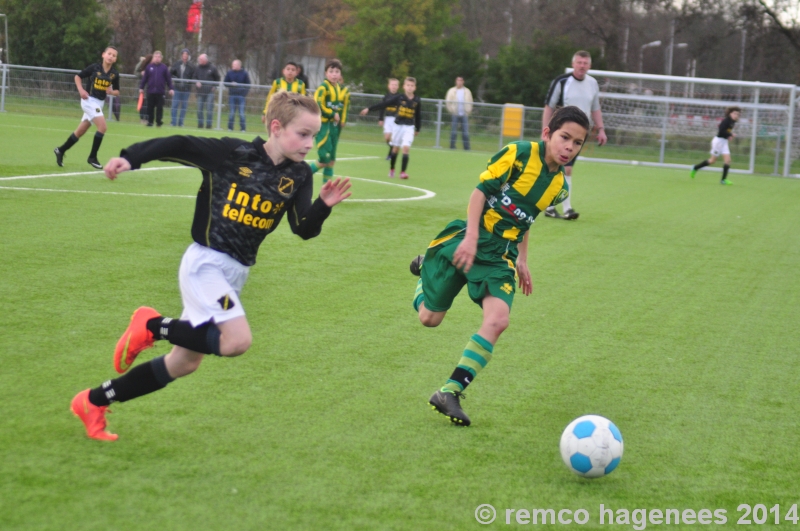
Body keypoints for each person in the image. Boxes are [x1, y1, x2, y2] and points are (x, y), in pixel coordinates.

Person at [69, 91, 352, 441]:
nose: (311, 144)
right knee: (237, 341)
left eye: (314, 135)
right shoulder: (233, 154)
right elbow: (180, 143)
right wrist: (132, 158)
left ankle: (93, 401)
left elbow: (303, 229)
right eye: (304, 134)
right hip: (206, 265)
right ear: (276, 127)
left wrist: (323, 206)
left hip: (236, 275)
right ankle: (152, 324)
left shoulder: (298, 175)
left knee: (183, 363)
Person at [408, 106, 590, 426]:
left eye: (577, 143)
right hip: (470, 238)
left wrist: (522, 259)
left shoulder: (558, 188)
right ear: (547, 133)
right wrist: (472, 237)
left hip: (500, 257)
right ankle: (426, 269)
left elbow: (525, 219)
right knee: (429, 319)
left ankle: (449, 391)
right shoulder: (518, 154)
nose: (569, 148)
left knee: (499, 320)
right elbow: (480, 193)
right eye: (565, 138)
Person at [542, 51, 606, 221]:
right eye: (579, 62)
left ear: (589, 66)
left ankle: (549, 206)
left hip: (580, 136)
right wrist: (546, 130)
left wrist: (601, 129)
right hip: (561, 133)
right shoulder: (562, 81)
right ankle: (567, 208)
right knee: (564, 168)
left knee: (560, 169)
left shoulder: (592, 83)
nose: (582, 66)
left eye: (585, 63)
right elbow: (549, 106)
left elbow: (595, 108)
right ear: (573, 64)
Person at [54, 46, 121, 170]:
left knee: (80, 132)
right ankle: (92, 157)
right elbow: (77, 77)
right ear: (103, 55)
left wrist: (112, 92)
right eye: (109, 54)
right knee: (103, 127)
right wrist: (81, 90)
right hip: (89, 101)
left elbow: (117, 91)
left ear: (115, 59)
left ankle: (60, 150)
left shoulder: (114, 74)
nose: (111, 56)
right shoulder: (95, 68)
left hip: (99, 103)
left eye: (114, 55)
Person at [360, 77, 421, 179]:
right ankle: (392, 168)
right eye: (408, 85)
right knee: (396, 149)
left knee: (405, 148)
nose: (410, 88)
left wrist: (418, 128)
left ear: (415, 87)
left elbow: (418, 115)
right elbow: (384, 104)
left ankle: (403, 172)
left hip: (409, 127)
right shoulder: (399, 98)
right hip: (398, 126)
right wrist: (369, 109)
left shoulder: (417, 100)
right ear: (404, 86)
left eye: (412, 86)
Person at [309, 59, 349, 183]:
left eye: (337, 71)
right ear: (326, 73)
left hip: (334, 127)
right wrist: (332, 114)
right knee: (324, 159)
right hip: (323, 126)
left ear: (340, 74)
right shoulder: (323, 87)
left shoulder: (337, 88)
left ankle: (326, 190)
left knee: (331, 161)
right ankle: (301, 175)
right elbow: (318, 105)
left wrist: (340, 117)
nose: (334, 74)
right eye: (331, 71)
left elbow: (339, 106)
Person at [690, 106, 741, 185]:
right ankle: (695, 168)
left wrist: (728, 136)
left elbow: (726, 132)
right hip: (718, 142)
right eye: (734, 113)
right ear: (730, 113)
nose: (736, 115)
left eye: (737, 114)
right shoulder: (726, 121)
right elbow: (721, 131)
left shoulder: (732, 121)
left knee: (728, 160)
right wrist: (730, 134)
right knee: (712, 161)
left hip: (724, 142)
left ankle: (723, 180)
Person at [139, 51, 174, 127]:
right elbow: (144, 79)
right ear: (153, 58)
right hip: (150, 91)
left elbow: (168, 79)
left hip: (160, 92)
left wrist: (171, 88)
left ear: (161, 58)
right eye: (156, 57)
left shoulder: (164, 68)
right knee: (150, 107)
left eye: (159, 57)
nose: (157, 58)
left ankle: (159, 122)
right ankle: (150, 122)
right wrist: (141, 87)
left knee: (159, 108)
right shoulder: (149, 67)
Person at [193, 54, 221, 129]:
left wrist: (215, 86)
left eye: (201, 59)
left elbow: (218, 78)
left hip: (209, 92)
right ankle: (200, 124)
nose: (199, 61)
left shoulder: (212, 68)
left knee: (209, 109)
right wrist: (196, 82)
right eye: (199, 60)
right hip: (200, 92)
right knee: (199, 109)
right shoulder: (197, 68)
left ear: (205, 60)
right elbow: (194, 77)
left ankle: (209, 125)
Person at [445, 76, 473, 150]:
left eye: (461, 80)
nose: (459, 82)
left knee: (465, 133)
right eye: (458, 80)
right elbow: (448, 102)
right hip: (455, 114)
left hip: (464, 114)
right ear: (456, 81)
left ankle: (467, 148)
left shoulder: (467, 91)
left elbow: (470, 102)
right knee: (453, 132)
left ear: (463, 81)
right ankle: (452, 147)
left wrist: (468, 110)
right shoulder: (451, 91)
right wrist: (452, 110)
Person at [169, 49, 195, 127]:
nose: (185, 56)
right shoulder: (176, 64)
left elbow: (194, 76)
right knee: (175, 105)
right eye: (183, 54)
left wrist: (189, 82)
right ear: (181, 55)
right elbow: (170, 73)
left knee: (184, 107)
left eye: (186, 54)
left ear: (188, 56)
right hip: (177, 88)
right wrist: (175, 79)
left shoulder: (191, 66)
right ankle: (173, 122)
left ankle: (181, 123)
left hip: (186, 90)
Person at [224, 59, 251, 131]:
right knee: (231, 113)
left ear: (239, 65)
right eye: (232, 65)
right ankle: (230, 128)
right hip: (232, 95)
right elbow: (225, 83)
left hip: (241, 96)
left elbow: (248, 85)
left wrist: (244, 94)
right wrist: (230, 84)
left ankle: (243, 129)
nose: (233, 66)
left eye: (234, 65)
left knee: (241, 113)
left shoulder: (244, 73)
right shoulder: (229, 73)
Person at [378, 78, 400, 160]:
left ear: (398, 87)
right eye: (392, 85)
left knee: (393, 137)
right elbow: (382, 108)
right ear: (389, 86)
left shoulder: (400, 97)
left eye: (395, 85)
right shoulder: (386, 97)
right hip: (388, 119)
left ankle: (391, 154)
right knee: (387, 138)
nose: (394, 87)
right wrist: (381, 119)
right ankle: (392, 149)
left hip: (396, 120)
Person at [134, 54, 152, 124]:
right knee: (142, 104)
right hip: (142, 88)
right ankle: (142, 119)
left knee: (148, 105)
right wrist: (141, 62)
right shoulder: (143, 66)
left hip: (150, 89)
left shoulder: (153, 67)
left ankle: (147, 119)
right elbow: (136, 71)